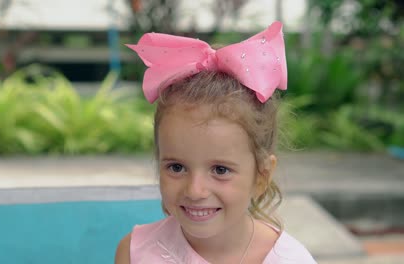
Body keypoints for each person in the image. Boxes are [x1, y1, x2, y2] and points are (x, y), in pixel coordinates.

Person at [115, 21, 316, 264]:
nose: (195, 190)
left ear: (261, 176)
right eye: (176, 167)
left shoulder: (291, 260)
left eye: (220, 170)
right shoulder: (135, 253)